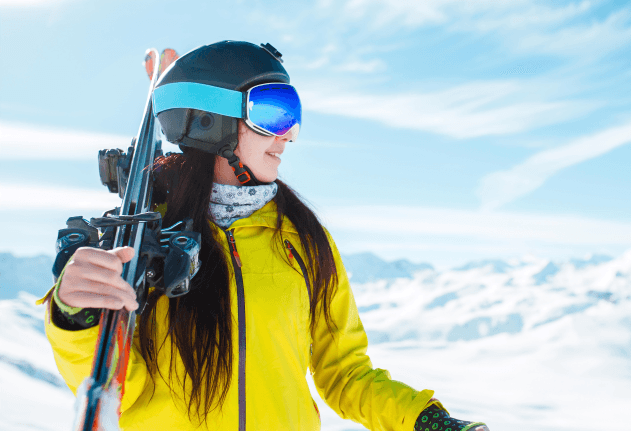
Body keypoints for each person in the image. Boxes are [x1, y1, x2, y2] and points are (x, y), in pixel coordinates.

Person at [40, 40, 490, 431]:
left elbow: (345, 372)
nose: (289, 134)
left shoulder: (303, 239)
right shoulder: (141, 240)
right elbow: (119, 385)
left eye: (291, 114)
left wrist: (426, 420)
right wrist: (74, 317)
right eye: (273, 113)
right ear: (210, 122)